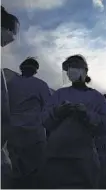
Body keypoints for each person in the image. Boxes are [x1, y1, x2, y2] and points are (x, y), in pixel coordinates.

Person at [39, 54, 106, 189]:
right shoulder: (59, 94)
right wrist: (58, 112)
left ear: (85, 70)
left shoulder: (96, 97)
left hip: (83, 157)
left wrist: (87, 115)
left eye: (75, 66)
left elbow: (105, 127)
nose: (72, 70)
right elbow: (45, 121)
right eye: (69, 67)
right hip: (57, 155)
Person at [5, 57, 51, 188]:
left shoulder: (10, 83)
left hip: (13, 132)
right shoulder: (40, 84)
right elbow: (49, 107)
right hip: (34, 135)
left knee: (16, 169)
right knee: (36, 170)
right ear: (35, 70)